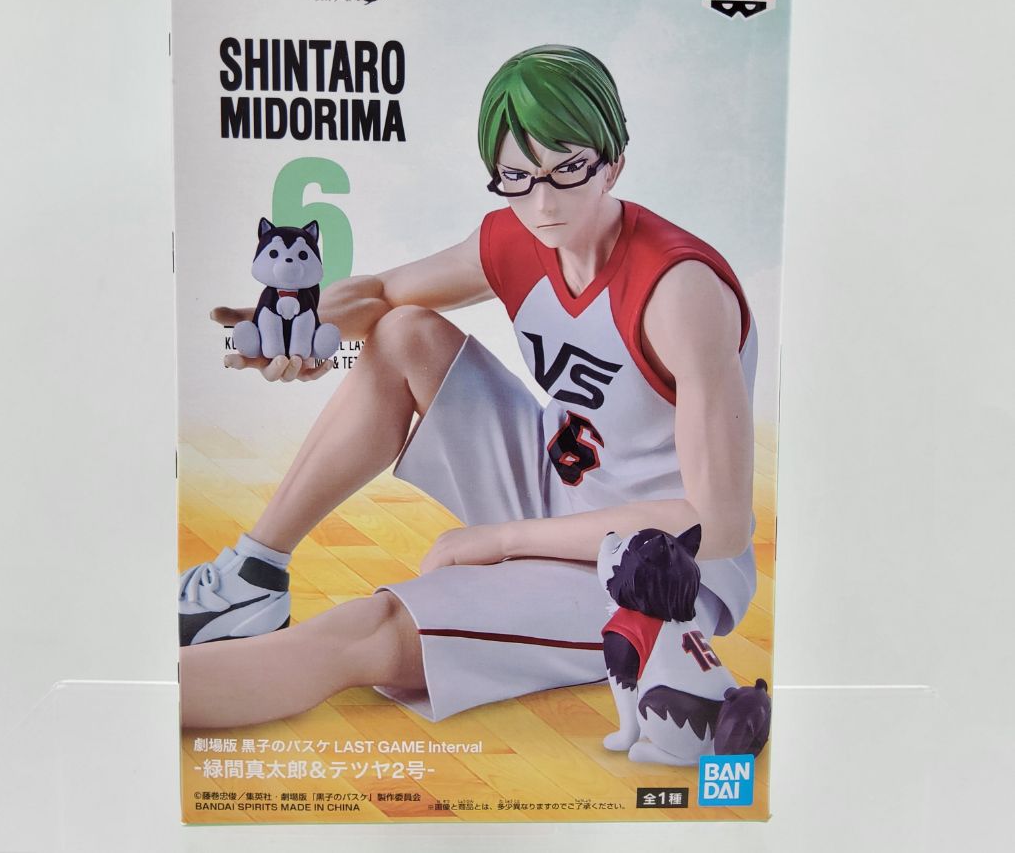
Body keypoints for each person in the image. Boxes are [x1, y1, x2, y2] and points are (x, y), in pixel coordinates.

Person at [179, 45, 758, 736]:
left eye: (568, 168)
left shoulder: (678, 291)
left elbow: (718, 525)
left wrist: (501, 539)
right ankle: (254, 573)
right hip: (560, 482)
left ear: (614, 163)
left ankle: (132, 698)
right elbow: (382, 294)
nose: (543, 201)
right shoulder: (521, 235)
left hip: (655, 566)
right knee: (404, 332)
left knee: (369, 628)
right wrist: (294, 326)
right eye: (517, 176)